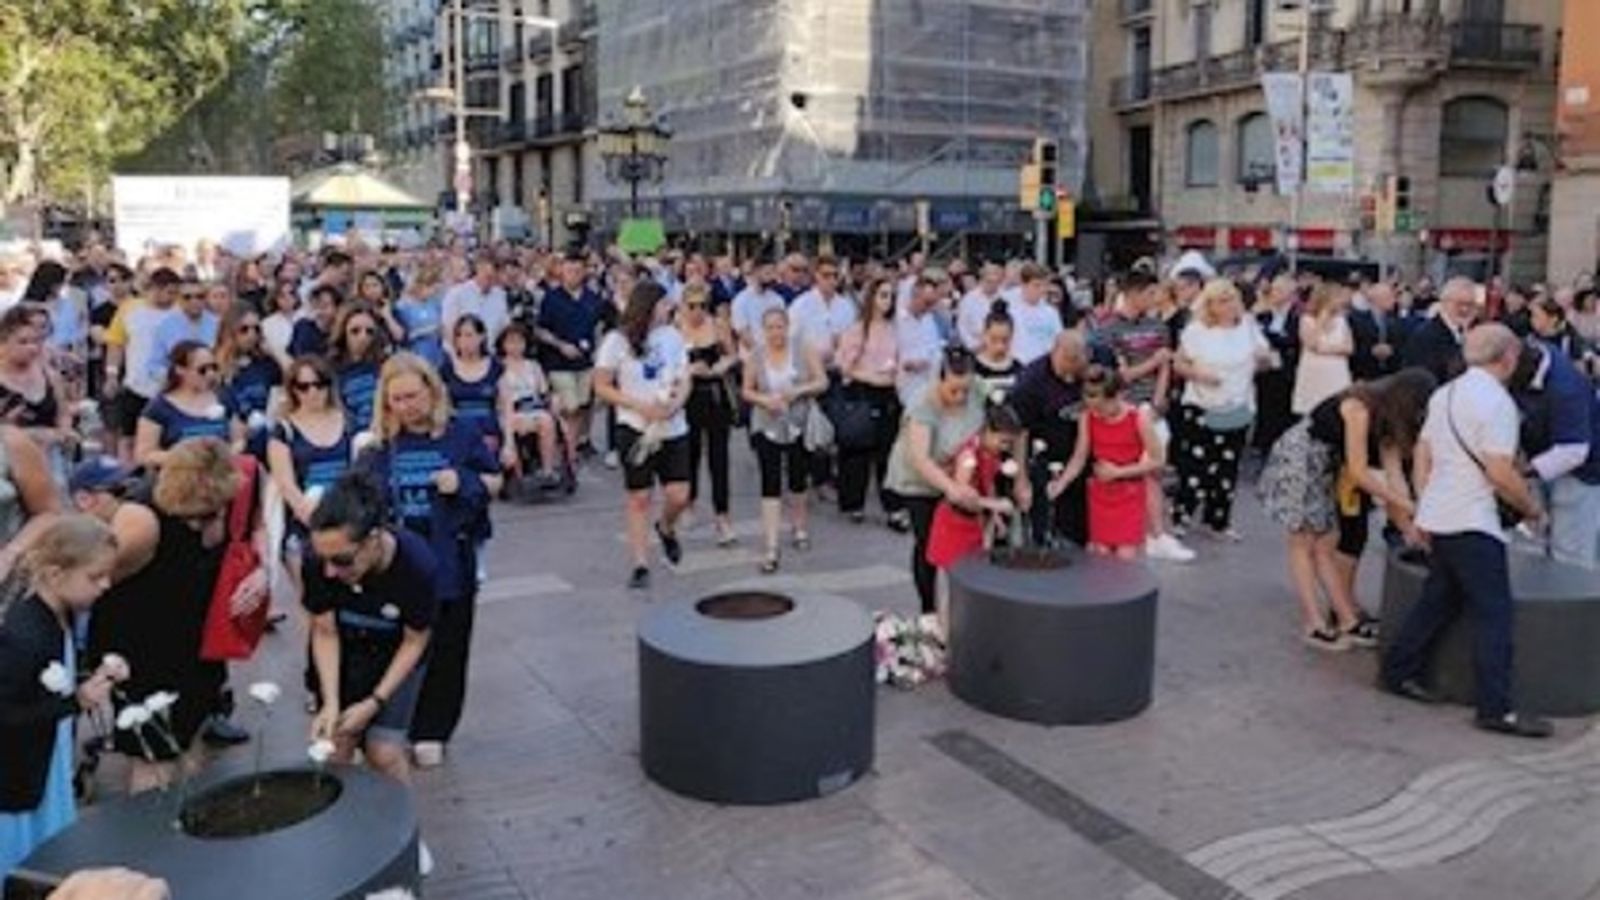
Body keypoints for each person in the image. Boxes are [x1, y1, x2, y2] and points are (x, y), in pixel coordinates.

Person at [1382, 325, 1552, 738]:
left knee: (1439, 598)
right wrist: (1531, 508)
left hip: (1442, 514)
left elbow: (1423, 452)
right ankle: (1496, 707)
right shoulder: (1498, 404)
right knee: (1495, 614)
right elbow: (1500, 473)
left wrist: (1426, 506)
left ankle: (1399, 669)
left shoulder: (1446, 393)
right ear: (1507, 358)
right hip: (1473, 519)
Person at [88, 438, 266, 791]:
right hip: (143, 643)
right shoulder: (141, 520)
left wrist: (261, 571)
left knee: (190, 738)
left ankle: (183, 816)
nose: (198, 525)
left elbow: (255, 529)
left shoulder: (236, 486)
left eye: (208, 514)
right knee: (154, 755)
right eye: (190, 517)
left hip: (196, 640)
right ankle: (151, 821)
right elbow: (94, 579)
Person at [358, 353, 499, 768]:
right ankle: (391, 723)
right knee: (394, 645)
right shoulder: (379, 446)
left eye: (413, 396)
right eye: (397, 399)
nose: (406, 406)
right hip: (396, 564)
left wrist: (464, 482)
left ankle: (433, 729)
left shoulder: (460, 433)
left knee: (448, 646)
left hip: (448, 557)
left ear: (432, 392)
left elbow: (494, 479)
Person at [1259, 369, 1436, 650]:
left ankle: (1347, 619)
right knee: (1303, 542)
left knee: (1325, 545)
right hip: (1302, 459)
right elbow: (1359, 471)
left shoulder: (1387, 419)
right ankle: (1313, 623)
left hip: (1328, 464)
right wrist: (1405, 505)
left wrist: (1409, 525)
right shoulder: (1359, 408)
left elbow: (1395, 477)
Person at [0, 516, 124, 878]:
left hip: (45, 761)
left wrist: (94, 677)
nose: (105, 585)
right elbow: (6, 714)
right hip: (17, 780)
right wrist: (75, 702)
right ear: (55, 575)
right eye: (95, 577)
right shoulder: (24, 635)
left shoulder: (58, 616)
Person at [304, 473, 436, 784]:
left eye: (342, 560)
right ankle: (346, 813)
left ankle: (400, 814)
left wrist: (376, 701)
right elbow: (324, 631)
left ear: (373, 540)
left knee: (384, 752)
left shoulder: (417, 566)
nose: (330, 572)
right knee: (335, 745)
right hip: (345, 648)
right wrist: (330, 702)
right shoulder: (319, 562)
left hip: (397, 652)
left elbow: (415, 641)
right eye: (323, 559)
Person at [594, 282, 691, 590]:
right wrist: (637, 405)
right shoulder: (617, 341)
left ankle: (666, 526)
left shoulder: (673, 336)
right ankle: (640, 563)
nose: (668, 309)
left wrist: (675, 404)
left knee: (679, 494)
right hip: (635, 424)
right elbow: (602, 385)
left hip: (672, 425)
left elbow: (684, 376)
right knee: (639, 496)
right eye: (663, 304)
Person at [886, 346, 988, 614]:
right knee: (927, 543)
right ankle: (928, 608)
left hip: (960, 472)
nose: (960, 396)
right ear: (940, 379)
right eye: (954, 390)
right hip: (920, 479)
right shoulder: (923, 404)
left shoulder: (978, 390)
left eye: (965, 390)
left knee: (960, 544)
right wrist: (950, 488)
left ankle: (962, 606)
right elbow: (921, 459)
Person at [1172, 280, 1271, 539]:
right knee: (1196, 464)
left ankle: (1218, 520)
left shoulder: (1248, 326)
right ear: (1210, 305)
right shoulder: (1197, 330)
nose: (1229, 306)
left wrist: (1263, 360)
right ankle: (1182, 515)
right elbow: (1179, 363)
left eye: (1232, 300)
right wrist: (1199, 375)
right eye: (1222, 301)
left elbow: (1264, 359)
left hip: (1238, 402)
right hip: (1202, 403)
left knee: (1228, 465)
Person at [742, 307, 828, 574]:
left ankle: (799, 526)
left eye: (779, 326)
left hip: (798, 423)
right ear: (763, 330)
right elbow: (746, 390)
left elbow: (822, 381)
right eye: (770, 328)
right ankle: (771, 545)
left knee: (797, 478)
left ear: (787, 327)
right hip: (766, 423)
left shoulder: (803, 349)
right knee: (770, 482)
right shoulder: (756, 355)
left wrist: (798, 391)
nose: (775, 333)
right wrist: (764, 400)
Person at [266, 356, 353, 608]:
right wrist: (312, 517)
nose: (313, 392)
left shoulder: (349, 421)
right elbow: (286, 483)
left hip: (347, 518)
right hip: (305, 522)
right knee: (313, 603)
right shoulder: (284, 430)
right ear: (293, 390)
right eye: (303, 386)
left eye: (319, 384)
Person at [1051, 366, 1164, 559]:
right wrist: (1062, 483)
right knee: (1100, 552)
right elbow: (1079, 456)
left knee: (1125, 555)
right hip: (1101, 493)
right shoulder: (1087, 417)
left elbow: (1157, 460)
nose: (1098, 413)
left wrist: (1119, 472)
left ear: (1117, 396)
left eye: (1102, 407)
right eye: (1093, 407)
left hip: (1129, 493)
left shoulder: (1138, 418)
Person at [1513, 338, 1600, 568]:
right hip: (1539, 456)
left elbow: (1574, 450)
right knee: (1533, 548)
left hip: (1581, 473)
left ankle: (1571, 590)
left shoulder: (1566, 388)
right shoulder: (1535, 358)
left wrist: (1525, 471)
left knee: (1569, 556)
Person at [925, 401, 1026, 584]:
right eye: (1003, 441)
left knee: (973, 578)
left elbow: (989, 483)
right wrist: (995, 505)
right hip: (954, 526)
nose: (1005, 448)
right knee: (954, 582)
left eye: (1009, 444)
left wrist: (995, 517)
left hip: (974, 523)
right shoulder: (969, 456)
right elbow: (960, 496)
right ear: (987, 431)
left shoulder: (990, 452)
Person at [835, 276, 904, 529]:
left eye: (891, 296)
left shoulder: (894, 329)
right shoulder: (858, 329)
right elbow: (844, 364)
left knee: (889, 453)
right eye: (883, 295)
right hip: (863, 391)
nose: (887, 301)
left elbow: (900, 359)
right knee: (859, 450)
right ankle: (855, 503)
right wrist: (869, 376)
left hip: (889, 392)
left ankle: (893, 508)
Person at [677, 284, 737, 544]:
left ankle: (722, 515)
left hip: (714, 394)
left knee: (719, 457)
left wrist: (721, 366)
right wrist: (689, 369)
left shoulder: (718, 325)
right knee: (689, 453)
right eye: (692, 306)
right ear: (683, 307)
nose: (697, 311)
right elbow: (669, 364)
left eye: (702, 305)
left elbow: (733, 355)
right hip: (688, 396)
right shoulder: (676, 328)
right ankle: (689, 503)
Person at [104, 268, 181, 463]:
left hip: (170, 389)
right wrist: (112, 375)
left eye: (176, 293)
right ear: (155, 288)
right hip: (136, 386)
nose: (173, 297)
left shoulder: (181, 311)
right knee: (128, 436)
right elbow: (116, 343)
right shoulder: (129, 309)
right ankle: (126, 473)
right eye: (170, 292)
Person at [535, 251, 605, 459]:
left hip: (585, 362)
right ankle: (567, 452)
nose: (573, 275)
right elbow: (540, 330)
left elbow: (600, 326)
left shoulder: (592, 299)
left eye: (577, 271)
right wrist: (560, 345)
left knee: (582, 407)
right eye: (569, 270)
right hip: (558, 363)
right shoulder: (551, 298)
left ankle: (572, 447)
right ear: (562, 272)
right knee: (569, 406)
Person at [133, 342, 244, 468]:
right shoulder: (159, 407)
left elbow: (238, 439)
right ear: (180, 370)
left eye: (214, 368)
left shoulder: (224, 398)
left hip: (221, 472)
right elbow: (144, 455)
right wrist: (184, 457)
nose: (210, 374)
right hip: (180, 474)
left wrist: (230, 452)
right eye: (202, 370)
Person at [496, 323, 565, 487]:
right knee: (512, 423)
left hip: (533, 407)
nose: (515, 346)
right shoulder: (498, 367)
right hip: (510, 409)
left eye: (519, 342)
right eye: (511, 342)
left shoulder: (533, 366)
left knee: (547, 421)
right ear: (503, 344)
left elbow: (544, 392)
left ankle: (547, 470)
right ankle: (518, 476)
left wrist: (554, 401)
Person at [0, 306, 73, 463]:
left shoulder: (50, 376)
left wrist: (64, 432)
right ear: (3, 343)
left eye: (36, 341)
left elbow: (63, 413)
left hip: (47, 459)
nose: (32, 348)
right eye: (22, 342)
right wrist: (32, 434)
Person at [215, 303, 282, 458]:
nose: (251, 335)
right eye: (244, 329)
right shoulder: (214, 365)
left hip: (263, 436)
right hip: (230, 441)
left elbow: (292, 377)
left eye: (256, 329)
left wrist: (275, 351)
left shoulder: (266, 363)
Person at [441, 315, 505, 458]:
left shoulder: (496, 367)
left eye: (469, 335)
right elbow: (443, 407)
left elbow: (505, 407)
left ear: (481, 337)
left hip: (489, 431)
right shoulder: (446, 369)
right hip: (459, 432)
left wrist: (509, 443)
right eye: (459, 336)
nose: (464, 341)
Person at [1292, 282, 1353, 416]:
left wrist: (1325, 349)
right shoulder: (1306, 320)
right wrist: (1321, 321)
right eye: (1337, 297)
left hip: (1337, 372)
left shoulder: (1342, 321)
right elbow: (1311, 343)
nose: (1340, 301)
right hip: (1314, 372)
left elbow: (1349, 348)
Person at [329, 303, 390, 435]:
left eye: (369, 332)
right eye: (355, 331)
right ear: (343, 332)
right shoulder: (331, 369)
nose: (363, 337)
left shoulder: (386, 364)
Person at [149, 279, 221, 389]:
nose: (194, 301)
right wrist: (175, 379)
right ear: (179, 299)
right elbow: (154, 365)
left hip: (212, 388)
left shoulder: (218, 324)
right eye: (187, 297)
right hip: (178, 389)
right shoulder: (165, 326)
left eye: (199, 296)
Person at [1403, 276, 1477, 383]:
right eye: (1459, 303)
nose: (1464, 309)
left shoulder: (1469, 333)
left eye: (1470, 304)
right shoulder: (1426, 336)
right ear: (1445, 302)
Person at [442, 254, 508, 345]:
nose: (490, 281)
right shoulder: (456, 294)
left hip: (488, 350)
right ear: (478, 270)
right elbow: (448, 328)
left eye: (494, 278)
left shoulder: (500, 296)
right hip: (459, 351)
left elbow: (503, 327)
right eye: (487, 276)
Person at [1350, 282, 1408, 382]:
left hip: (1390, 375)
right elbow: (1354, 346)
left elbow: (1403, 345)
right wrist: (1371, 351)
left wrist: (1392, 350)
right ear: (1378, 298)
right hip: (1365, 374)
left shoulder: (1396, 321)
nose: (1394, 301)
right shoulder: (1357, 320)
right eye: (1390, 297)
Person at [1007, 264, 1063, 365]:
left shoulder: (1051, 313)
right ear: (1024, 285)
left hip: (1045, 366)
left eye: (1044, 285)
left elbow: (1058, 340)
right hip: (1019, 364)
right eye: (1036, 285)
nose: (1041, 290)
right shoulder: (1010, 310)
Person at [394, 264, 446, 370]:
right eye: (430, 287)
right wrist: (429, 330)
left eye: (435, 289)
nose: (433, 292)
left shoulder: (434, 302)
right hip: (416, 351)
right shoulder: (403, 305)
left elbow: (440, 324)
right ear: (420, 286)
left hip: (435, 350)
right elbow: (405, 334)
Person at [972, 305, 1022, 395]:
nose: (1000, 347)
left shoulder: (1019, 370)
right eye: (994, 340)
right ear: (984, 335)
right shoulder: (972, 367)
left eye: (1005, 340)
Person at [288, 286, 341, 358]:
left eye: (324, 306)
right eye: (316, 306)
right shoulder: (304, 328)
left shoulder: (341, 332)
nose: (319, 311)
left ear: (337, 308)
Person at [260, 278, 300, 371]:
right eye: (282, 295)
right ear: (276, 299)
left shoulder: (307, 317)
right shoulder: (267, 324)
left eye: (291, 293)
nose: (287, 298)